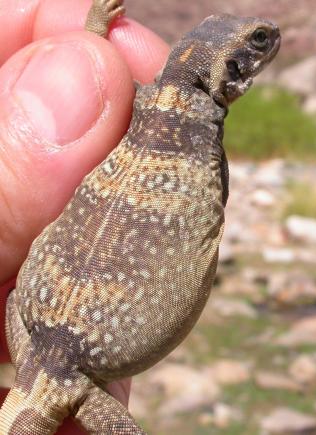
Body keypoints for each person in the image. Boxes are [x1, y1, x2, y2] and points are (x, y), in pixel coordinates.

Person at [0, 0, 170, 432]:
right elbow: (105, 85)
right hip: (49, 372)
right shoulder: (135, 106)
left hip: (36, 356)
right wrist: (92, 32)